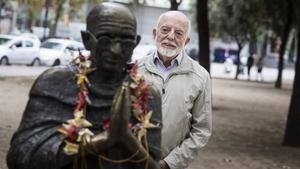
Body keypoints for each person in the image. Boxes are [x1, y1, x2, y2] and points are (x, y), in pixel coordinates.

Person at [7, 2, 162, 169]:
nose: (116, 50)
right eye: (105, 40)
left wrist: (127, 139)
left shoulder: (147, 95)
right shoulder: (54, 83)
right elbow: (20, 154)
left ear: (136, 42)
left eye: (126, 41)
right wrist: (102, 141)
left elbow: (151, 164)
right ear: (87, 40)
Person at [137, 11, 212, 169]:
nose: (170, 37)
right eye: (165, 30)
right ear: (154, 33)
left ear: (186, 41)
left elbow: (202, 130)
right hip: (132, 162)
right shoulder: (135, 70)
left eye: (179, 33)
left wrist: (169, 163)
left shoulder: (200, 76)